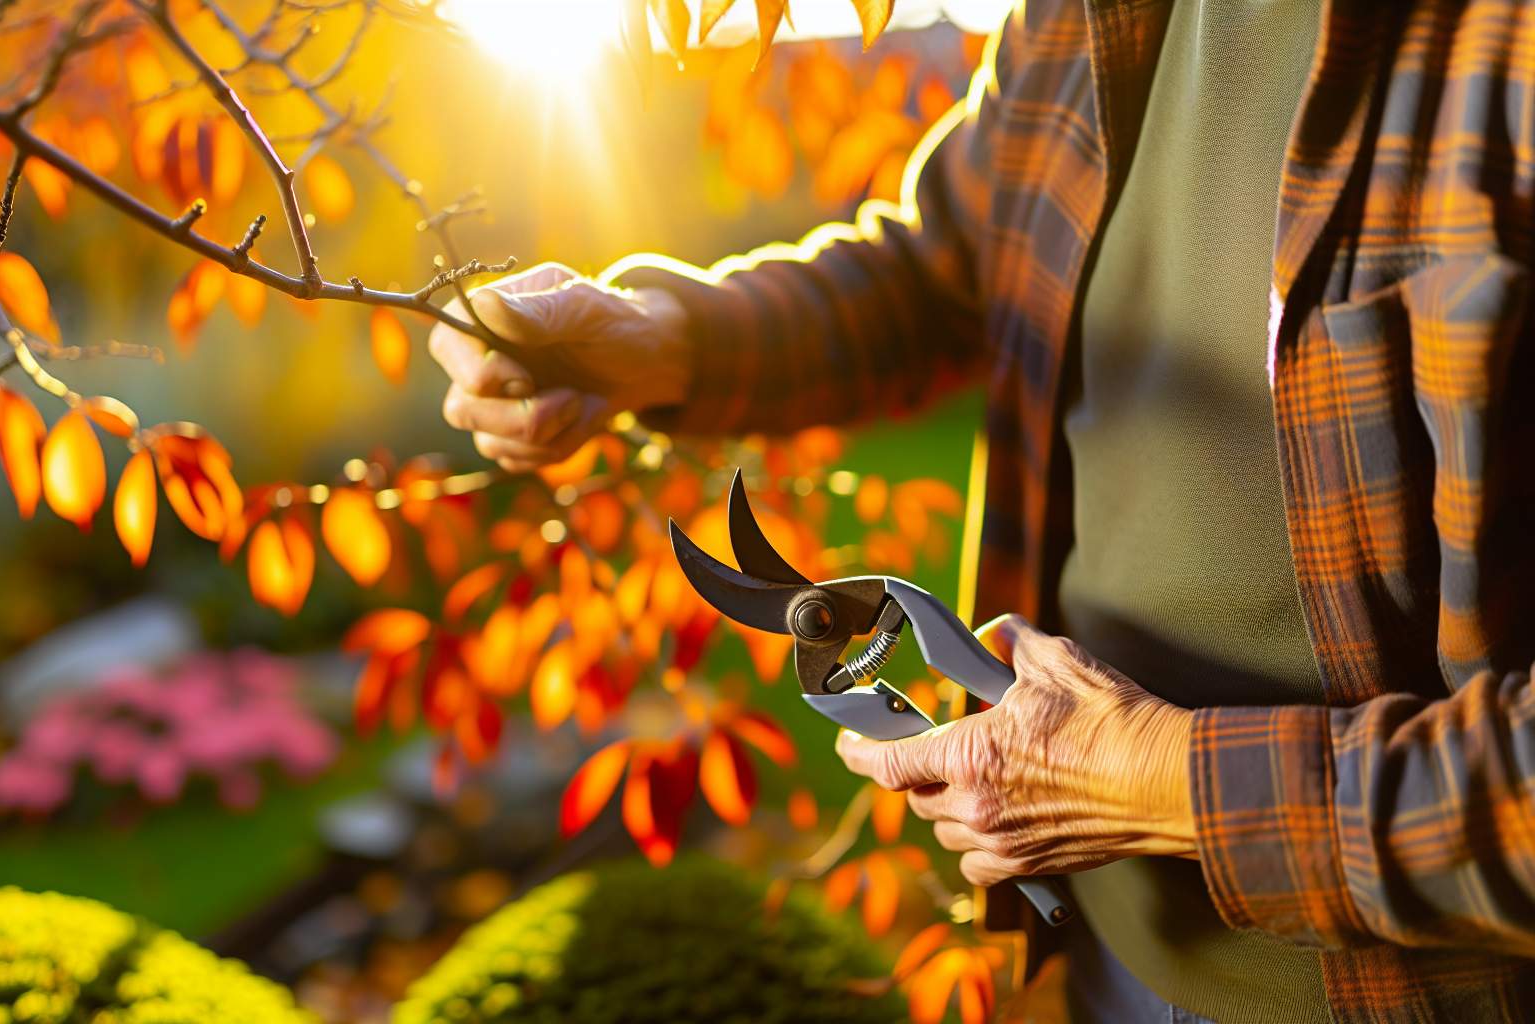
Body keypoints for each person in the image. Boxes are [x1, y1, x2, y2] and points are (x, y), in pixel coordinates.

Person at [423, 2, 1535, 1021]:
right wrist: (668, 338)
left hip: (1412, 989)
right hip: (1111, 947)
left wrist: (1173, 783)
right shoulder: (1088, 18)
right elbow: (944, 268)